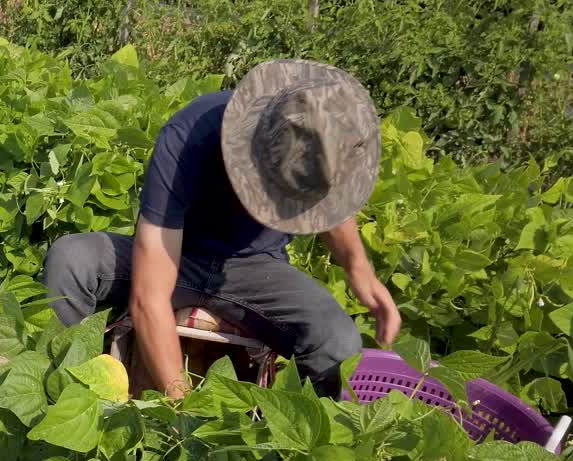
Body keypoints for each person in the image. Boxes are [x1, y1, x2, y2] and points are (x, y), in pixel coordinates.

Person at [43, 59, 401, 398]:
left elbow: (328, 197)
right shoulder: (192, 134)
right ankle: (55, 396)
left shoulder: (323, 158)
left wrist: (359, 269)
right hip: (177, 254)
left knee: (337, 342)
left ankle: (296, 452)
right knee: (72, 260)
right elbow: (149, 295)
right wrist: (180, 407)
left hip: (258, 271)